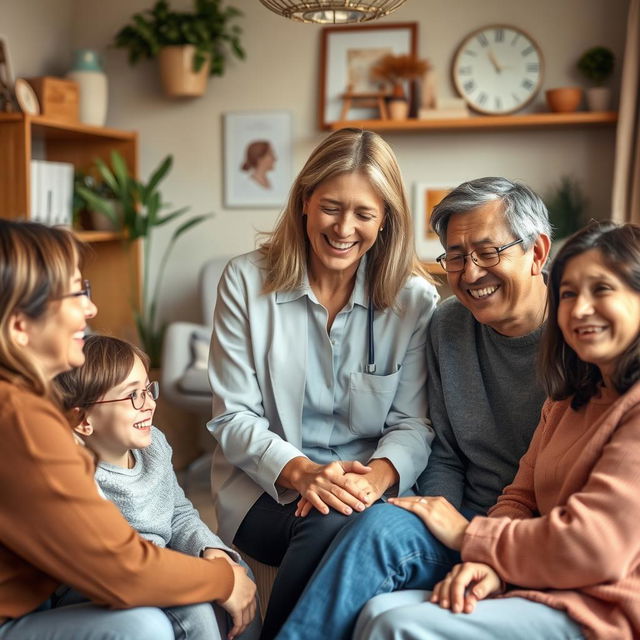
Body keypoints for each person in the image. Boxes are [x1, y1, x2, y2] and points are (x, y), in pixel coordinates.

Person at [275, 176, 552, 640]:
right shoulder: (448, 325)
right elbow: (443, 451)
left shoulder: (583, 337)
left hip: (536, 539)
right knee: (381, 523)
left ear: (537, 253)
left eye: (488, 252)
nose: (470, 274)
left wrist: (489, 549)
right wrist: (440, 518)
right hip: (457, 523)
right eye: (456, 257)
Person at [353, 220, 640, 639]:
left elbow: (594, 546)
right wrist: (487, 562)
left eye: (601, 290)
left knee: (398, 626)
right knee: (377, 611)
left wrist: (471, 535)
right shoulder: (568, 399)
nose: (580, 309)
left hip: (605, 605)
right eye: (568, 294)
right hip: (538, 580)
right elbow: (519, 496)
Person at [208, 127, 439, 638]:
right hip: (262, 491)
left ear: (385, 221)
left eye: (364, 213)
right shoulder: (245, 282)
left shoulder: (415, 301)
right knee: (335, 523)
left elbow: (413, 424)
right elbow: (232, 415)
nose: (344, 228)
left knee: (341, 519)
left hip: (367, 491)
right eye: (332, 207)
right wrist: (304, 473)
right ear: (305, 202)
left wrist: (369, 481)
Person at [0, 219, 255, 640]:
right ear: (20, 326)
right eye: (75, 293)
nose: (90, 309)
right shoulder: (21, 422)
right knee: (146, 625)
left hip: (37, 601)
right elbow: (122, 568)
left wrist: (215, 561)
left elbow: (174, 515)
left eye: (88, 290)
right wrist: (224, 581)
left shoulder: (32, 406)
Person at [54, 334, 260, 640]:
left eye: (148, 389)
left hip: (160, 568)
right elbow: (116, 565)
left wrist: (210, 550)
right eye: (132, 396)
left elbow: (177, 512)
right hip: (102, 583)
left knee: (237, 569)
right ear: (84, 421)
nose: (149, 403)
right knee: (196, 609)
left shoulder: (154, 447)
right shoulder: (77, 475)